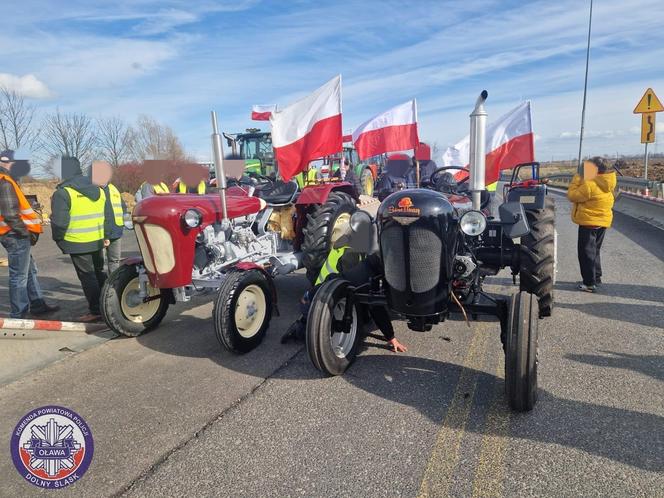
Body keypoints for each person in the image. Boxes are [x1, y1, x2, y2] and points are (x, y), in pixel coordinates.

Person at [281, 214, 408, 353]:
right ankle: (299, 328)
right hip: (321, 296)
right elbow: (374, 303)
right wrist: (391, 337)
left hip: (327, 289)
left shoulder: (354, 244)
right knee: (360, 313)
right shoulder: (353, 255)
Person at [51, 157, 113, 321]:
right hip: (98, 240)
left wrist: (58, 239)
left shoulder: (63, 193)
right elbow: (106, 215)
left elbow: (59, 222)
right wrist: (106, 235)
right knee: (99, 273)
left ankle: (96, 311)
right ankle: (109, 305)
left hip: (77, 242)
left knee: (88, 276)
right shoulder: (99, 189)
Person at [0, 150, 59, 318]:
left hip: (12, 234)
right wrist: (25, 232)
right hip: (15, 235)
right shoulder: (5, 182)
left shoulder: (7, 181)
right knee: (19, 276)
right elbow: (10, 214)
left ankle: (37, 303)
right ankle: (19, 314)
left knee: (29, 270)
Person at [567, 156, 617, 292]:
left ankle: (589, 283)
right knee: (595, 250)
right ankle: (596, 277)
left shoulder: (590, 184)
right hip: (603, 222)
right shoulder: (608, 183)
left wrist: (578, 177)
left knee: (586, 253)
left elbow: (572, 195)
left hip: (589, 222)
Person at [91, 160, 126, 274]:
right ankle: (102, 289)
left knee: (115, 261)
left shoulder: (113, 189)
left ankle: (113, 287)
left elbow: (122, 207)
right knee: (99, 264)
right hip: (99, 233)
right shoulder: (91, 190)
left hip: (116, 232)